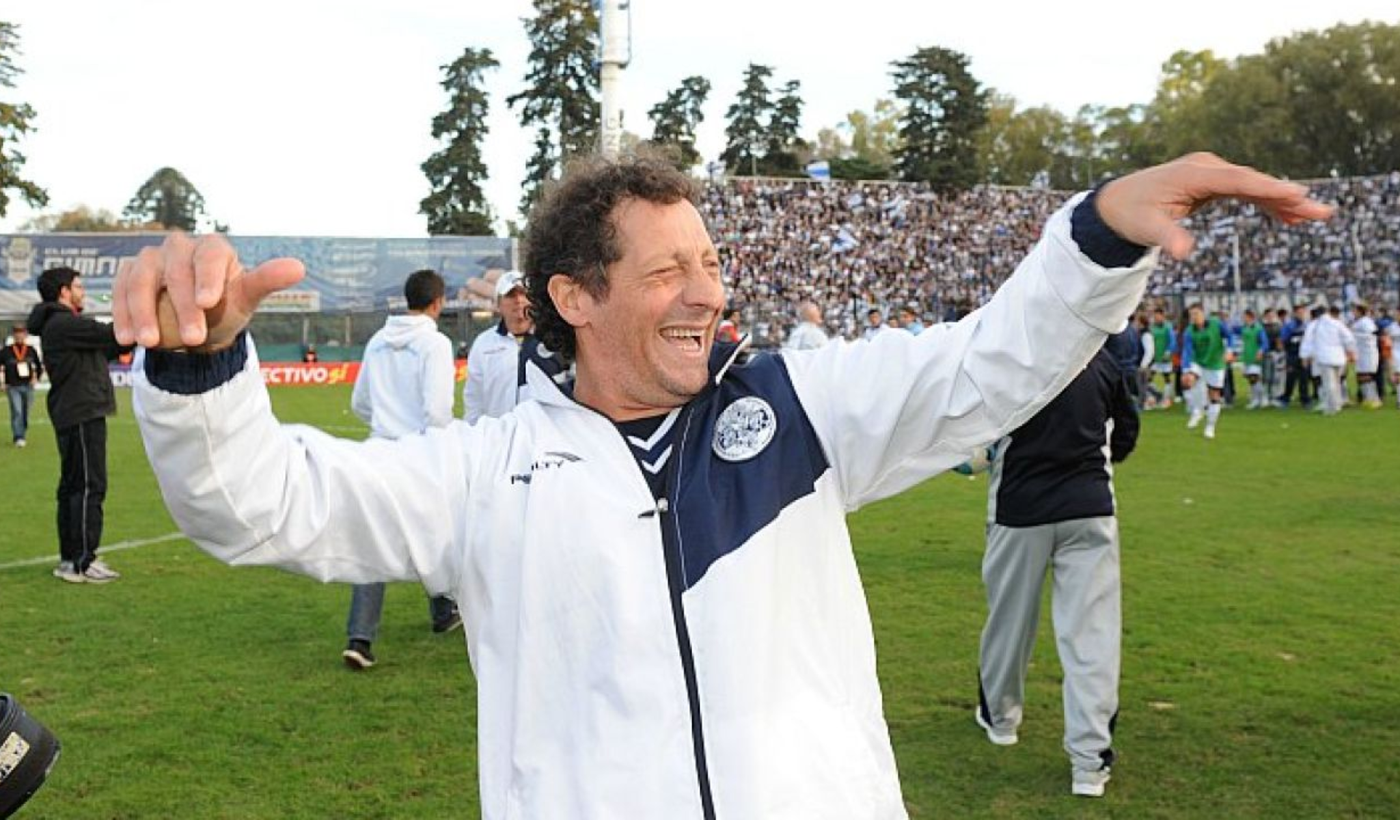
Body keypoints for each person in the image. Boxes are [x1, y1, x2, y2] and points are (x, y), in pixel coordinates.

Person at [115, 153, 1328, 819]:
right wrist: (200, 371)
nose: (707, 290)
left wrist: (1100, 231)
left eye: (708, 260)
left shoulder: (799, 412)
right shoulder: (489, 474)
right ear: (575, 298)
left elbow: (988, 364)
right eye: (667, 272)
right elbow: (265, 505)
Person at [975, 344, 1139, 798]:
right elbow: (1127, 432)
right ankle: (1090, 761)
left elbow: (970, 430)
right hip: (1089, 505)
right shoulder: (1102, 359)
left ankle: (1001, 719)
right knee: (1092, 636)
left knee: (1009, 623)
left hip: (1020, 507)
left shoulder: (1007, 354)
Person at [341, 269, 461, 670]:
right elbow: (437, 410)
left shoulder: (378, 340)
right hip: (417, 455)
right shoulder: (435, 344)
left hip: (379, 453)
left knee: (375, 541)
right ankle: (443, 609)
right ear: (438, 302)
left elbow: (359, 402)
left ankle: (361, 637)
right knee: (436, 531)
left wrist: (385, 427)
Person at [26, 267, 133, 584]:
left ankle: (71, 559)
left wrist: (130, 338)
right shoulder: (64, 323)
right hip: (81, 410)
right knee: (89, 486)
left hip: (74, 410)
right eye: (78, 286)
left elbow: (112, 346)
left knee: (74, 487)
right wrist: (140, 312)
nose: (83, 291)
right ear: (63, 291)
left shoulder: (60, 325)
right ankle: (84, 561)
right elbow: (111, 334)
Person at [462, 270, 568, 424]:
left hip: (543, 433)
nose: (518, 300)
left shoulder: (552, 339)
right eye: (511, 295)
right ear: (498, 303)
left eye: (523, 294)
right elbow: (474, 398)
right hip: (499, 433)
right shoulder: (484, 343)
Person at [1180, 303, 1229, 439]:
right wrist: (1186, 368)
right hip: (1199, 362)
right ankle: (1197, 410)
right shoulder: (1189, 331)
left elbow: (1229, 336)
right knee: (1188, 380)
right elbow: (1187, 350)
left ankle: (1210, 426)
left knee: (1214, 396)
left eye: (1196, 314)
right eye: (1191, 315)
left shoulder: (1216, 324)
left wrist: (1230, 350)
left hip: (1215, 364)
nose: (1194, 317)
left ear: (1203, 314)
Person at [1, 324, 43, 446]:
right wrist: (2, 382)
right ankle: (18, 436)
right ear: (13, 335)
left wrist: (36, 378)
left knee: (26, 412)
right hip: (12, 386)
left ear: (25, 335)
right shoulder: (6, 351)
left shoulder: (30, 350)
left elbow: (38, 366)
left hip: (28, 386)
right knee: (17, 410)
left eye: (21, 333)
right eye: (17, 333)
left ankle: (22, 431)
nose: (19, 336)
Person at [1279, 304, 1314, 409]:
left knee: (1304, 378)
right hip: (1292, 356)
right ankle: (1286, 399)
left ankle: (1305, 400)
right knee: (1290, 378)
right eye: (1299, 313)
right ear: (1294, 313)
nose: (1301, 314)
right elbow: (1282, 340)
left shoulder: (1308, 325)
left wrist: (1310, 355)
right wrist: (1285, 353)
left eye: (1303, 312)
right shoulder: (1289, 326)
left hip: (1304, 356)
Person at [1350, 304, 1381, 409]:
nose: (1353, 313)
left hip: (1368, 352)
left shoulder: (1367, 322)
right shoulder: (1357, 322)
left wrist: (1355, 335)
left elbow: (1372, 334)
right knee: (1360, 376)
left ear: (1360, 311)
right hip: (1360, 353)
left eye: (1354, 311)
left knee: (1367, 376)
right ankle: (1367, 398)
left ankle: (1375, 399)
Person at [1238, 309, 1270, 409]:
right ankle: (1255, 399)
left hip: (1255, 356)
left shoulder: (1258, 328)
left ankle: (1263, 398)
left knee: (1254, 378)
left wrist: (1261, 351)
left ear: (1250, 317)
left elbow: (1265, 342)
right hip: (1246, 357)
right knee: (1251, 380)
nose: (1243, 318)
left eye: (1244, 316)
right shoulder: (1243, 328)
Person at [1146, 308, 1175, 409]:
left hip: (1165, 358)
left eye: (1158, 315)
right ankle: (1158, 395)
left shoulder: (1168, 327)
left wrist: (1168, 352)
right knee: (1148, 378)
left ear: (1162, 316)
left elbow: (1172, 341)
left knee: (1166, 378)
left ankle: (1167, 399)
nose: (1156, 317)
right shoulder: (1152, 327)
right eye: (1155, 316)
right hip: (1154, 358)